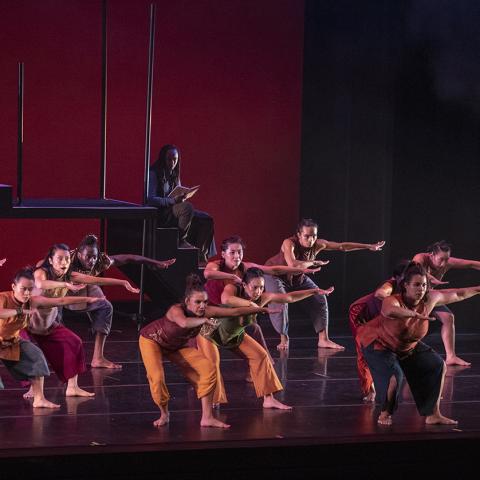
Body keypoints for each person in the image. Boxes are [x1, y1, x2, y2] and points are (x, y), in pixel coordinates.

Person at [139, 274, 272, 428]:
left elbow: (233, 312)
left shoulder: (206, 311)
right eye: (198, 302)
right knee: (157, 376)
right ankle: (164, 414)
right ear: (187, 301)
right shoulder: (176, 310)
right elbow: (184, 323)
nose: (202, 306)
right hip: (152, 341)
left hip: (177, 346)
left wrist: (259, 308)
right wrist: (203, 320)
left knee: (209, 369)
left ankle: (207, 417)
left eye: (205, 302)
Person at [357, 262, 480, 426]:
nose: (421, 289)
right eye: (416, 285)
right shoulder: (392, 300)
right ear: (406, 285)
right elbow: (389, 311)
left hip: (406, 344)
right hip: (378, 343)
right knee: (395, 377)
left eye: (423, 285)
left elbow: (459, 294)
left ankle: (433, 414)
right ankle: (385, 413)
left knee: (437, 365)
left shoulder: (430, 299)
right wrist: (413, 314)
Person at [201, 267, 333, 408]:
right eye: (254, 287)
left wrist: (313, 291)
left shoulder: (262, 298)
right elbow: (226, 299)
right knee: (212, 363)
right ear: (245, 285)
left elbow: (289, 297)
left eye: (261, 287)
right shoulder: (233, 288)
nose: (258, 291)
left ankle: (268, 399)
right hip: (210, 333)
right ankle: (212, 400)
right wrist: (249, 304)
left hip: (234, 335)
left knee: (260, 355)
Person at [264, 218, 385, 350]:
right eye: (307, 236)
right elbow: (293, 265)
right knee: (280, 300)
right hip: (275, 275)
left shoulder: (319, 244)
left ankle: (323, 339)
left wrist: (368, 246)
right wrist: (314, 263)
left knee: (320, 297)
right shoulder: (289, 243)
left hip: (297, 277)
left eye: (314, 236)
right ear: (299, 235)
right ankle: (284, 338)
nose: (311, 240)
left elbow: (342, 246)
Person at [65, 234, 175, 368]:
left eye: (94, 256)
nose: (92, 261)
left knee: (106, 307)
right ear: (79, 254)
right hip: (61, 290)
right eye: (88, 257)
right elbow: (92, 279)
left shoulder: (99, 260)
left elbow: (128, 257)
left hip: (83, 287)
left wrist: (155, 263)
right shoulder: (66, 260)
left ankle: (98, 358)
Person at [204, 235, 323, 357]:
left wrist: (300, 270)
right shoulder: (216, 265)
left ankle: (265, 362)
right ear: (223, 254)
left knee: (254, 329)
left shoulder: (245, 267)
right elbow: (207, 274)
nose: (236, 256)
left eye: (239, 252)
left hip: (234, 313)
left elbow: (274, 270)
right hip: (214, 314)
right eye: (232, 252)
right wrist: (231, 277)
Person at [31, 243, 140, 373]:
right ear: (50, 260)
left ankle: (79, 376)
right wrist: (65, 284)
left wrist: (123, 282)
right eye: (60, 258)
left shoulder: (69, 274)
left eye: (67, 259)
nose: (64, 262)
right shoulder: (41, 272)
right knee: (32, 356)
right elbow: (40, 283)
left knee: (74, 342)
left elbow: (93, 280)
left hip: (48, 315)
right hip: (28, 321)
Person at [349, 260, 409, 402]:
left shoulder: (412, 285)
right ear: (397, 277)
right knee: (364, 351)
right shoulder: (390, 285)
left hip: (380, 317)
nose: (409, 280)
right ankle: (369, 390)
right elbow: (380, 294)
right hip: (361, 314)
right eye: (406, 277)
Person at [413, 240, 480, 366]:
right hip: (412, 298)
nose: (444, 263)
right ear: (432, 254)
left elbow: (471, 264)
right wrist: (430, 277)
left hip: (429, 297)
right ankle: (404, 350)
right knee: (416, 324)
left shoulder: (447, 262)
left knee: (448, 317)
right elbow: (417, 272)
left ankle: (451, 356)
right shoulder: (420, 258)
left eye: (447, 259)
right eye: (441, 259)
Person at [0, 268, 60, 408]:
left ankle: (39, 399)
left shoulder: (31, 301)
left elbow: (62, 300)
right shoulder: (3, 297)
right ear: (14, 287)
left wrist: (87, 299)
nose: (27, 293)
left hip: (11, 341)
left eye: (30, 289)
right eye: (23, 289)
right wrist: (21, 310)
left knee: (36, 355)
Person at [147, 144, 216, 265]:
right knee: (187, 208)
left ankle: (202, 255)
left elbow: (177, 190)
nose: (172, 162)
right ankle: (181, 240)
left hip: (173, 208)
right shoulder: (153, 173)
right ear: (163, 158)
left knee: (206, 219)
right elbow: (150, 199)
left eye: (175, 159)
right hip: (160, 212)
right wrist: (172, 201)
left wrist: (183, 196)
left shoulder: (174, 173)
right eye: (169, 159)